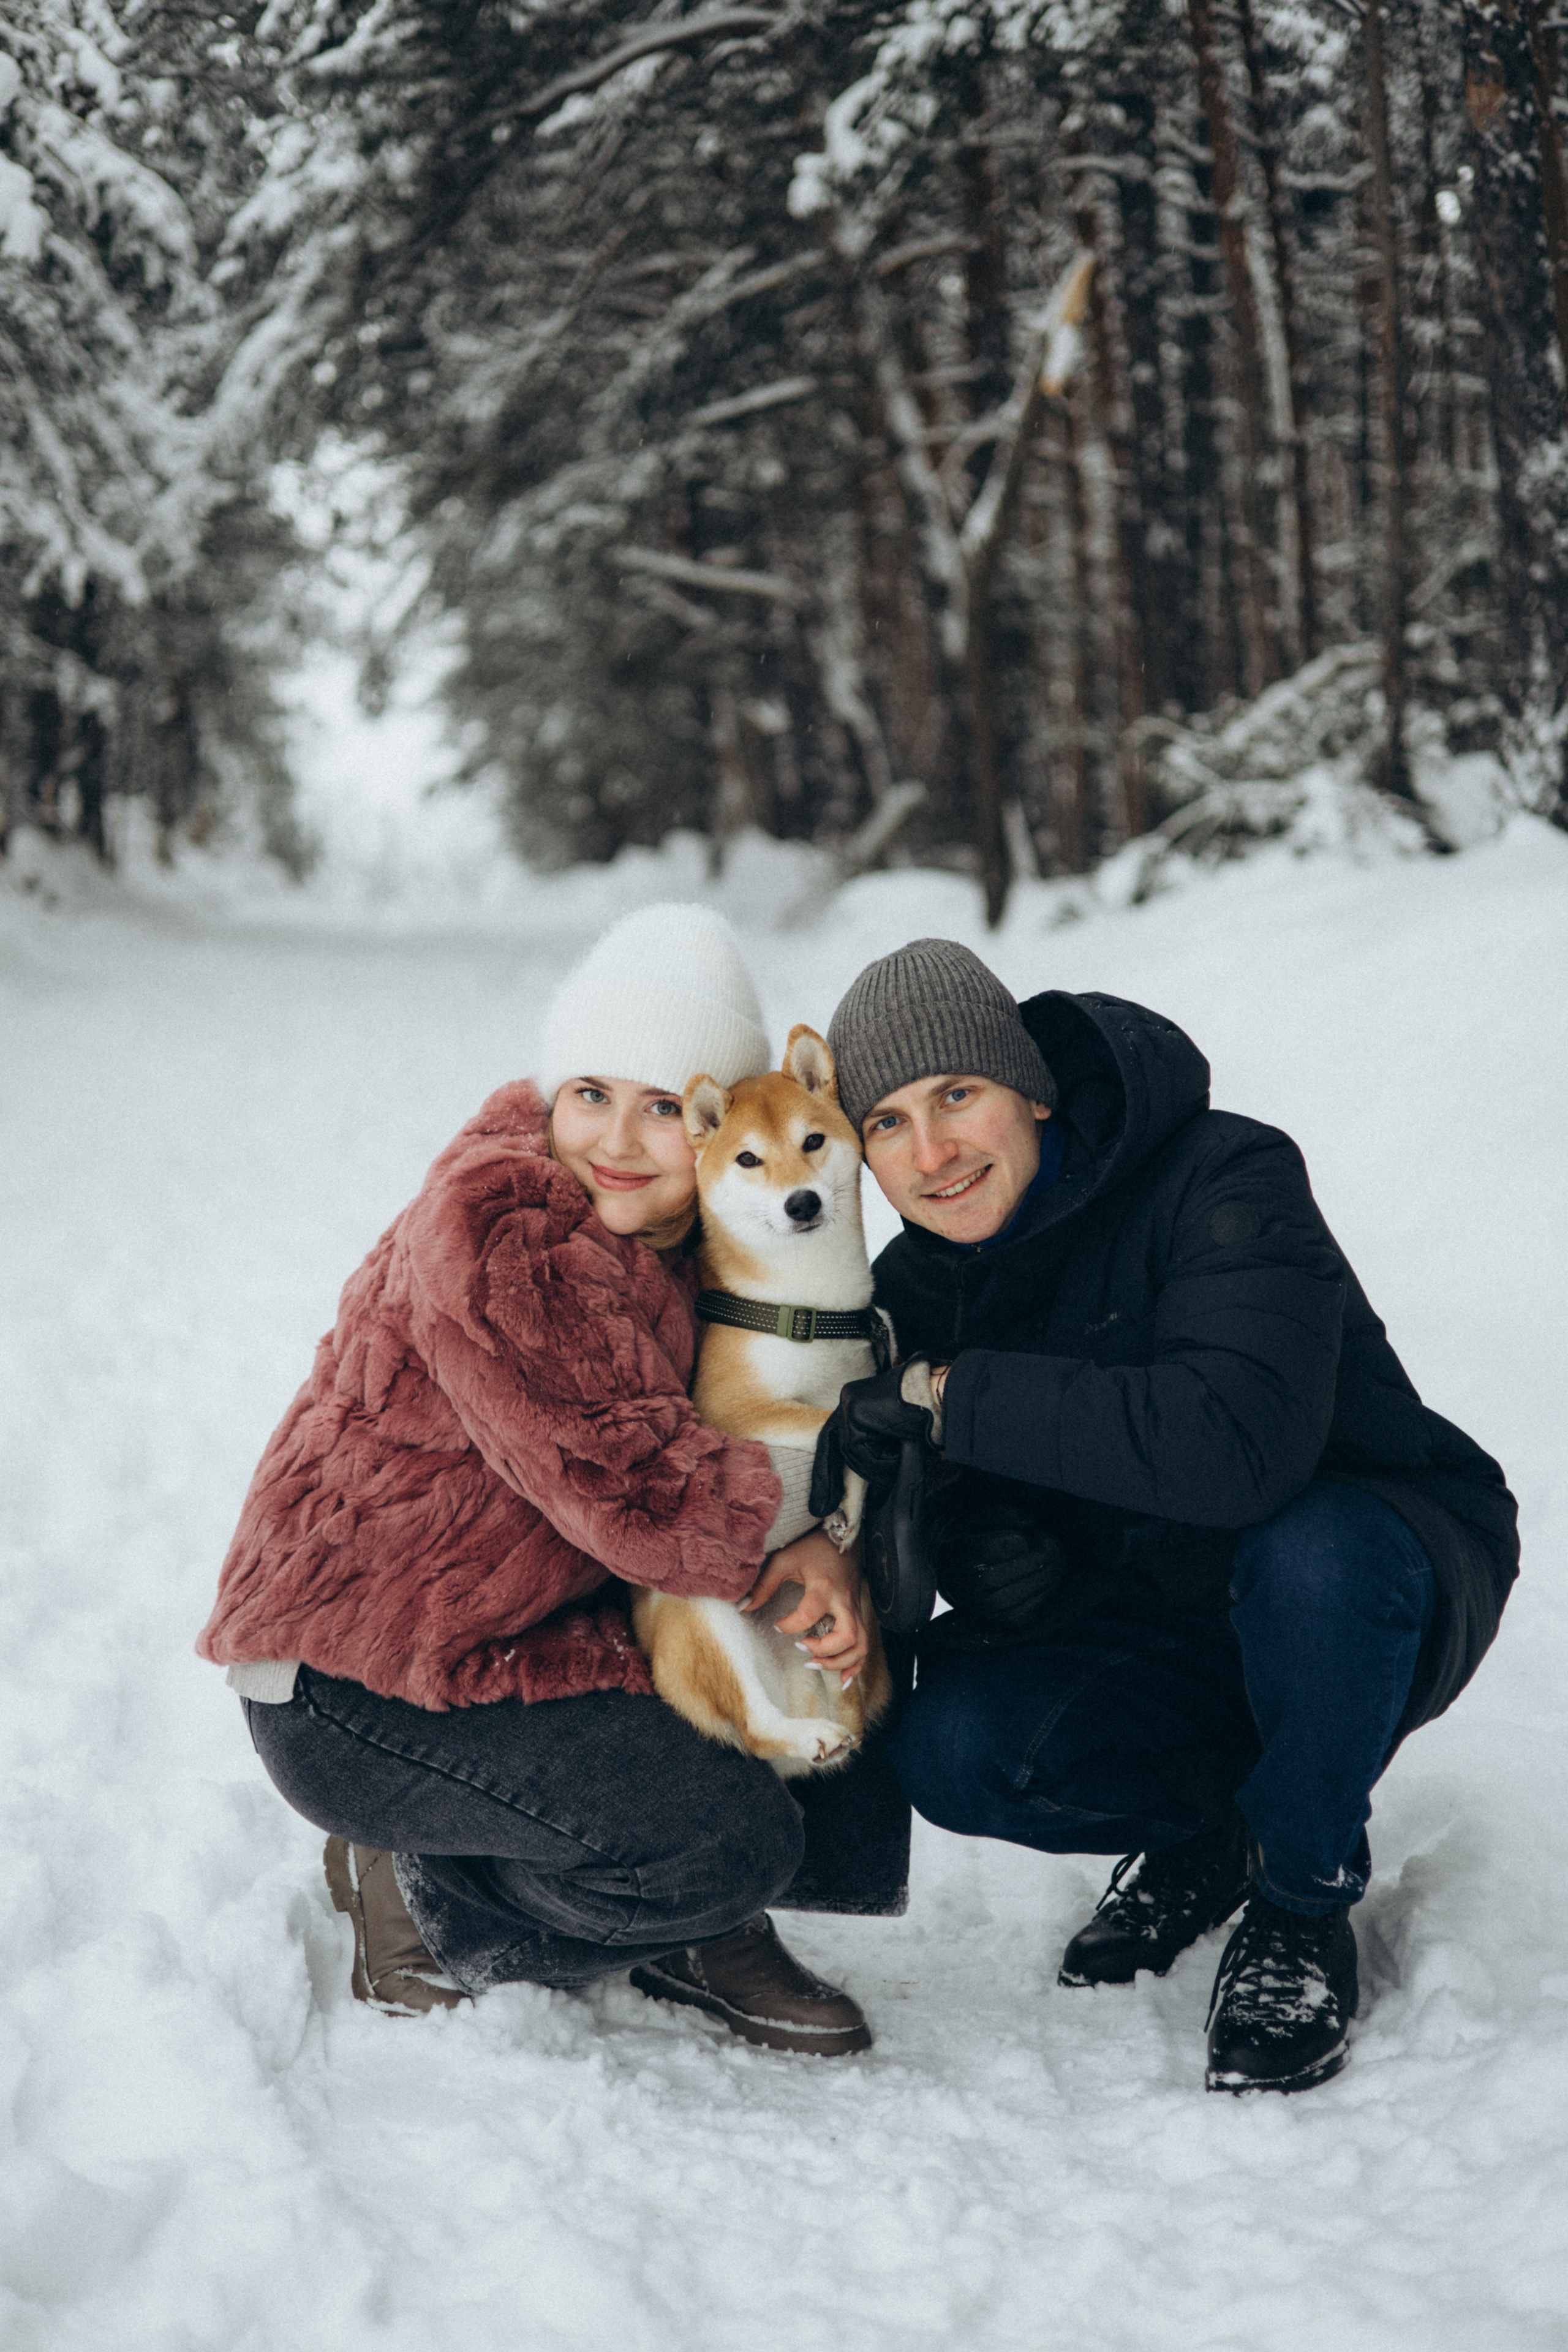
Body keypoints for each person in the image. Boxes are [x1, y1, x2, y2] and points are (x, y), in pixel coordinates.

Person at [810, 939, 1518, 2094]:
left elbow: (1235, 1450)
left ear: (1032, 1086)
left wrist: (952, 1398)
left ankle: (1299, 1900)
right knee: (957, 1748)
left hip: (1373, 1577)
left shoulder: (1224, 1173)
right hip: (1161, 1618)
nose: (931, 1153)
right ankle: (1217, 1833)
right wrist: (990, 1553)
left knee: (1316, 1558)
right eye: (886, 1124)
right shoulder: (918, 1292)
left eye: (957, 1095)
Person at [198, 903, 906, 2054]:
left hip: (519, 1627)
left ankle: (688, 1900)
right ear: (552, 1092)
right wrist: (824, 1513)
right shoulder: (511, 1234)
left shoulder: (667, 1231)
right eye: (590, 1093)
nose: (618, 1139)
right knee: (726, 1839)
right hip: (365, 1673)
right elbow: (647, 1501)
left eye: (663, 1107)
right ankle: (439, 1888)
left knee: (810, 1672)